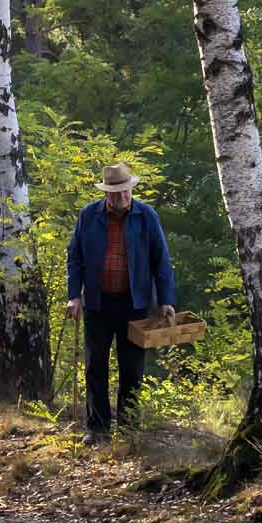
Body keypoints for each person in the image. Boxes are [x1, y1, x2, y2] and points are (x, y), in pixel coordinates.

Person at [64, 163, 176, 440]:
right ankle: (98, 428)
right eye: (116, 193)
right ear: (106, 193)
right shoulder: (88, 216)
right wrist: (73, 296)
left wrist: (165, 300)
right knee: (95, 366)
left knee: (131, 368)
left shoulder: (146, 216)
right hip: (97, 303)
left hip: (134, 304)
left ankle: (128, 429)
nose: (122, 197)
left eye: (125, 191)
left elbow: (161, 260)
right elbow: (74, 256)